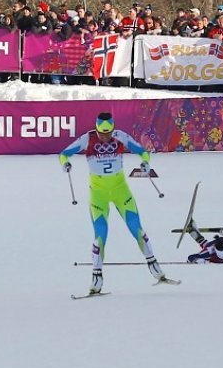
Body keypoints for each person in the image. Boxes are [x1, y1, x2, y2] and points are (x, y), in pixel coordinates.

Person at [59, 113, 168, 294]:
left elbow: (142, 151)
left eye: (108, 132)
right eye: (102, 133)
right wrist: (65, 164)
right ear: (96, 129)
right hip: (98, 193)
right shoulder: (87, 139)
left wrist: (145, 163)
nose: (105, 137)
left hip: (120, 189)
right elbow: (64, 154)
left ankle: (154, 266)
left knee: (137, 229)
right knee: (100, 235)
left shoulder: (120, 136)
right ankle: (97, 278)